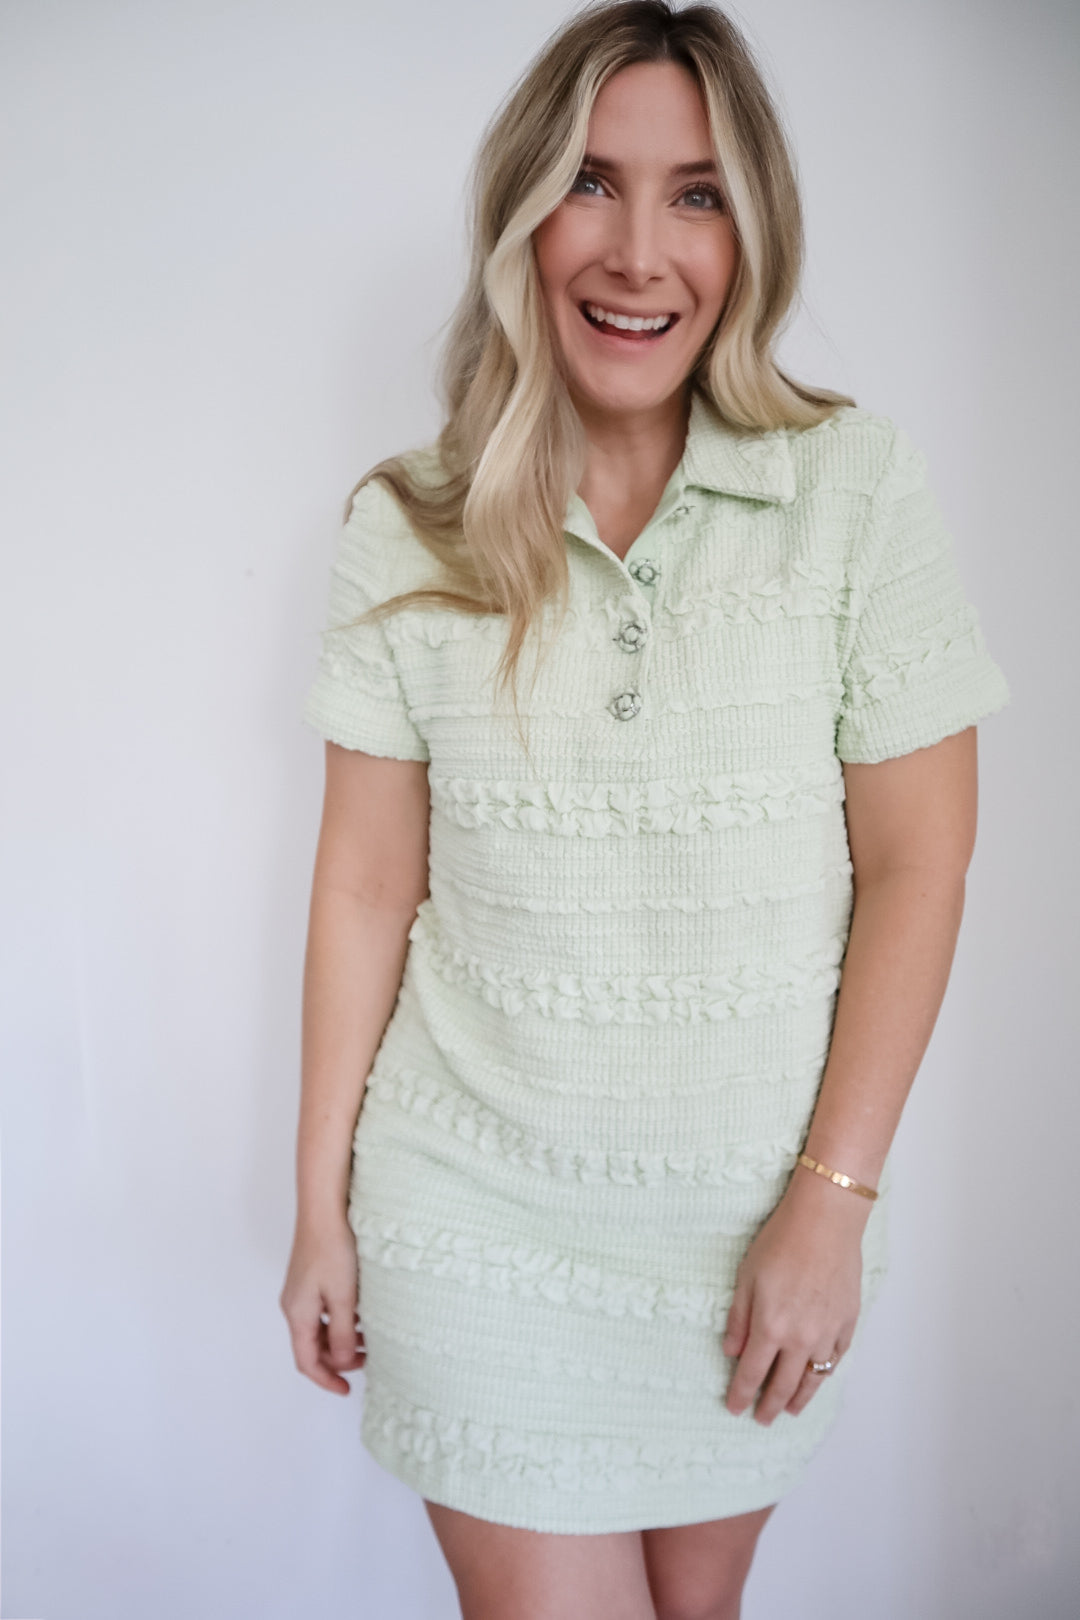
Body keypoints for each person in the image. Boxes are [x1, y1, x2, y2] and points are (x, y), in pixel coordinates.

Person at [279, 2, 1011, 1615]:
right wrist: (318, 1203)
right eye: (590, 184)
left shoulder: (853, 489)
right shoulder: (407, 525)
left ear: (752, 234)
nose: (637, 252)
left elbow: (920, 863)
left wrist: (830, 1206)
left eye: (696, 195)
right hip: (477, 1215)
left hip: (759, 1234)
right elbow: (364, 884)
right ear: (523, 219)